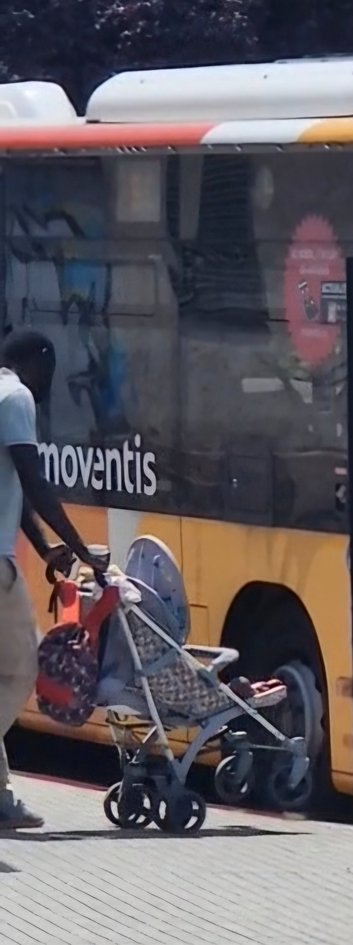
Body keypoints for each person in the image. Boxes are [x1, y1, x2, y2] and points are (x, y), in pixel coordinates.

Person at [0, 329, 108, 830]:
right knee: (22, 670)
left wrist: (46, 549)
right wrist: (85, 551)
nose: (50, 381)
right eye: (50, 366)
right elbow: (34, 482)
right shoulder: (16, 396)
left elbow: (13, 489)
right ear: (37, 361)